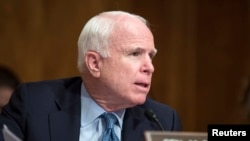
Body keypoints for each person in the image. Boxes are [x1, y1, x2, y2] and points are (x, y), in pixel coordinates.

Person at [0, 11, 182, 141]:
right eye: (135, 54)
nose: (150, 67)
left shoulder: (162, 120)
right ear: (95, 63)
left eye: (150, 56)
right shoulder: (34, 104)